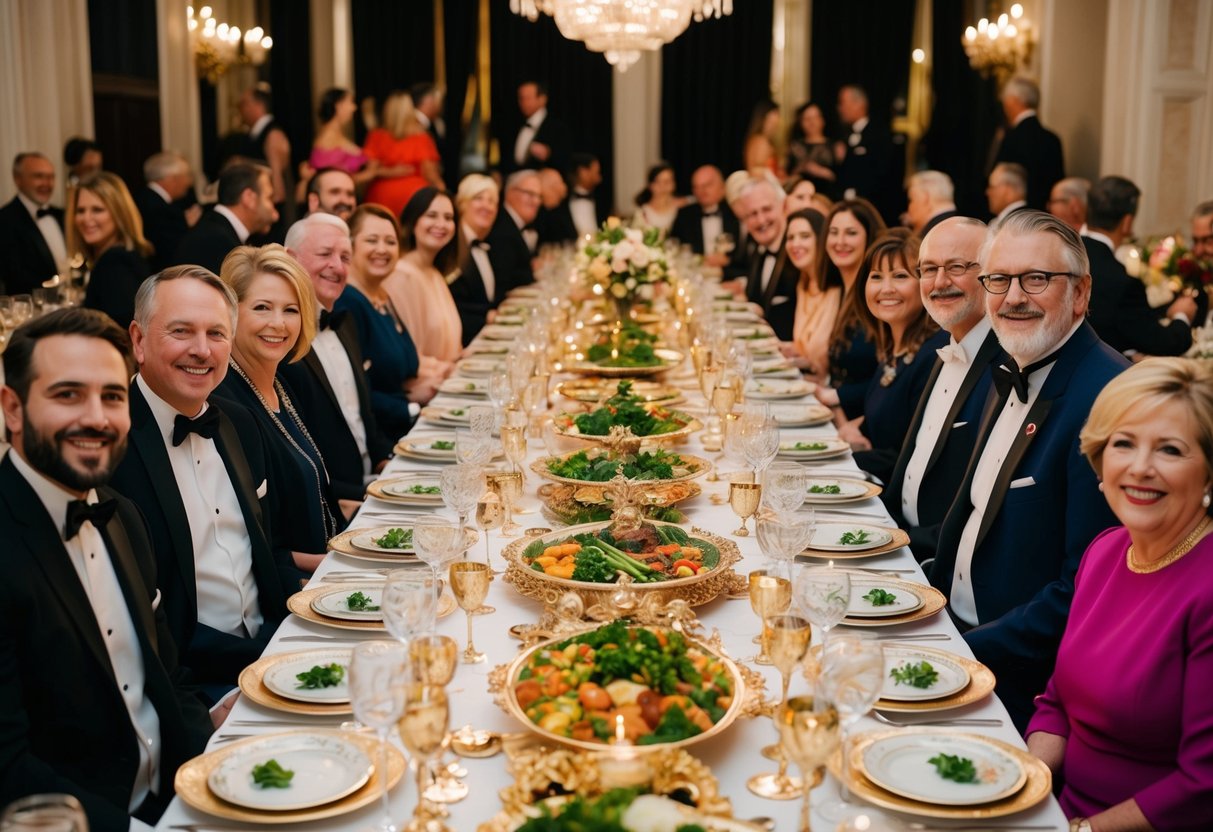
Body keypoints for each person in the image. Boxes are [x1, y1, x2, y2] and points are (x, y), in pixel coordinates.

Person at [0, 308, 214, 831]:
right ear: (13, 408)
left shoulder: (121, 514)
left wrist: (222, 770)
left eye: (112, 397)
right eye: (67, 395)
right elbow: (8, 768)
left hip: (175, 798)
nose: (96, 417)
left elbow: (168, 676)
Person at [929, 210, 1129, 731]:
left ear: (1081, 293)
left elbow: (1084, 589)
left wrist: (959, 650)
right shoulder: (1013, 362)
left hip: (1020, 685)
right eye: (998, 279)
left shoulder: (1106, 400)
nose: (1013, 296)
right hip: (952, 627)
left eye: (1036, 279)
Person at [1027, 358, 1213, 831]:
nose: (1140, 468)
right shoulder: (1107, 551)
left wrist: (1081, 831)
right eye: (1124, 444)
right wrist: (1017, 783)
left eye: (1170, 450)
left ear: (1209, 474)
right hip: (1059, 810)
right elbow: (1057, 703)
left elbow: (1202, 785)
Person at [114, 265, 297, 691]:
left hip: (272, 645)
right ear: (138, 340)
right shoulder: (114, 444)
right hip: (191, 678)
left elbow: (265, 552)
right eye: (181, 331)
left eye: (216, 334)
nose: (202, 350)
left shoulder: (239, 423)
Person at [216, 245, 343, 568]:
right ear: (231, 312)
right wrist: (336, 563)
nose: (278, 323)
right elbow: (254, 544)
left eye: (291, 310)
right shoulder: (226, 404)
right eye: (262, 307)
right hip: (292, 592)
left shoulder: (281, 385)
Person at [885, 217, 1000, 558]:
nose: (939, 282)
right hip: (897, 538)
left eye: (956, 267)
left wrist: (901, 543)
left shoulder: (1006, 368)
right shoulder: (945, 347)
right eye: (929, 268)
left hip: (933, 560)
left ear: (990, 274)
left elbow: (980, 510)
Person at [281, 214, 393, 502]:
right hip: (337, 500)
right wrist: (367, 495)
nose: (337, 266)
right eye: (325, 254)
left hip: (374, 483)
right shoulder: (282, 344)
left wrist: (386, 462)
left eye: (345, 257)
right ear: (291, 259)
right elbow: (299, 457)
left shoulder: (345, 322)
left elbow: (363, 414)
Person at [838, 230, 946, 482]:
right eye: (876, 277)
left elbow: (910, 457)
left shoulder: (933, 356)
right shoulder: (892, 350)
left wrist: (843, 461)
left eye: (899, 276)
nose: (886, 289)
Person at [336, 204, 434, 439]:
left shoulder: (382, 296)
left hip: (408, 428)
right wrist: (408, 405)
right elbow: (355, 390)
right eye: (372, 240)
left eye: (390, 241)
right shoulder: (348, 303)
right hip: (384, 436)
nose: (382, 249)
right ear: (350, 245)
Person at [1084, 176, 1195, 357]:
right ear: (1127, 222)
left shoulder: (1068, 254)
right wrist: (1182, 316)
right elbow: (1165, 344)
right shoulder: (1122, 283)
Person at [814, 198, 888, 416]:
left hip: (862, 420)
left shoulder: (879, 296)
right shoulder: (841, 292)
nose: (840, 241)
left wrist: (836, 396)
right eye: (834, 232)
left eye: (851, 233)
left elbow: (889, 375)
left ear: (870, 238)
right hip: (836, 413)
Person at [67, 172, 152, 329]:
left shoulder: (114, 262)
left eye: (97, 210)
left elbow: (122, 330)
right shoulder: (122, 254)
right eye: (80, 211)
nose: (86, 218)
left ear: (119, 213)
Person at [387, 187, 462, 364]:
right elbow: (410, 355)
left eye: (448, 218)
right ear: (414, 222)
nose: (441, 224)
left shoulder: (434, 273)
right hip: (428, 387)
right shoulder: (402, 276)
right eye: (431, 215)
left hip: (448, 381)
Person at [172, 162, 278, 274]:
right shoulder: (221, 244)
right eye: (269, 198)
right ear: (249, 198)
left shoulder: (214, 229)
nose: (275, 215)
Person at [362, 90, 443, 217]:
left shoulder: (376, 135)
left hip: (381, 196)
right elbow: (430, 172)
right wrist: (442, 189)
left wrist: (389, 172)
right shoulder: (421, 137)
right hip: (413, 196)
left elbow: (372, 170)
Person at [739, 176, 799, 341]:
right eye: (752, 214)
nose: (761, 220)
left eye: (766, 209)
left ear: (783, 207)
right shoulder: (757, 250)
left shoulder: (797, 254)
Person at [781, 208, 839, 376]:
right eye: (790, 238)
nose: (795, 244)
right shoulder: (802, 284)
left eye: (805, 236)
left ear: (821, 240)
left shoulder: (837, 289)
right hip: (803, 383)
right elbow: (805, 348)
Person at [993, 76, 1065, 211]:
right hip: (1045, 217)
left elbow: (1000, 180)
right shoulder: (1052, 139)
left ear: (1013, 101)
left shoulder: (1011, 138)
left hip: (1016, 218)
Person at [0, 151, 68, 293]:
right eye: (39, 176)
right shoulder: (5, 219)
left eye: (51, 177)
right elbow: (14, 275)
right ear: (17, 179)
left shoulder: (62, 215)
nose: (47, 183)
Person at [449, 174, 506, 344]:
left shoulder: (485, 246)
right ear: (462, 204)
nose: (486, 206)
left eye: (492, 201)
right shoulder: (451, 247)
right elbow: (453, 304)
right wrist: (484, 318)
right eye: (478, 198)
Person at [236, 83, 293, 233]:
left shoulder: (272, 134)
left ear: (258, 105)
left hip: (270, 217)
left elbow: (278, 188)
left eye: (244, 103)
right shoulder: (256, 134)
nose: (240, 109)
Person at [836, 85, 895, 222]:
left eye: (843, 103)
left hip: (873, 207)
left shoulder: (879, 133)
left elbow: (882, 171)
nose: (840, 108)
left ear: (858, 104)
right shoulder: (844, 134)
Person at [136, 151, 202, 273]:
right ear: (172, 179)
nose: (189, 182)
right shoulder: (158, 208)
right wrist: (186, 225)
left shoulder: (146, 198)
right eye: (186, 176)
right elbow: (171, 251)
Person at [671, 165, 742, 269]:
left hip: (730, 277)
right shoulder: (685, 215)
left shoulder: (735, 212)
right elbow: (675, 249)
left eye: (707, 185)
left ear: (722, 186)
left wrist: (727, 261)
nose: (701, 191)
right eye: (696, 187)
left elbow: (746, 259)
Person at [308, 87, 374, 185]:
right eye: (351, 102)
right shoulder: (328, 136)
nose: (354, 107)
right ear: (338, 106)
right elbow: (329, 180)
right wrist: (370, 174)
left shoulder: (335, 134)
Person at [506, 80, 570, 175]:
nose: (523, 102)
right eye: (520, 98)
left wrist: (549, 154)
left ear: (542, 99)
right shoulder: (512, 125)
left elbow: (565, 160)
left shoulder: (557, 128)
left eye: (527, 98)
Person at [786, 101, 836, 198]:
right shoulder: (794, 146)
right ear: (800, 122)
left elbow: (842, 177)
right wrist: (803, 168)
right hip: (800, 196)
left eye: (815, 118)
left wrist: (820, 171)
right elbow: (787, 177)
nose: (812, 122)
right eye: (807, 119)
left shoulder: (836, 146)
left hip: (828, 196)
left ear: (822, 120)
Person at [497, 168, 544, 261]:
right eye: (530, 194)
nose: (537, 201)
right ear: (510, 192)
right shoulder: (500, 227)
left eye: (539, 196)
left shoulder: (513, 225)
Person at [904, 170, 959, 238]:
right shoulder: (965, 225)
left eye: (911, 200)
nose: (909, 208)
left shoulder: (931, 236)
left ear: (925, 198)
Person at [633, 162, 681, 235]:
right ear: (650, 185)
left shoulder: (682, 206)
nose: (663, 186)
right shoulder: (642, 212)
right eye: (658, 182)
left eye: (667, 181)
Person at [535, 166, 577, 247]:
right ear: (550, 187)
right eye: (561, 182)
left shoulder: (562, 209)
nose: (565, 186)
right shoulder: (538, 215)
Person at [567, 152, 604, 237]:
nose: (599, 179)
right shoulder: (562, 203)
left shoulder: (602, 201)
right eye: (596, 173)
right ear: (582, 172)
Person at [743, 100, 783, 178]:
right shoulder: (760, 140)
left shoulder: (762, 139)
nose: (778, 118)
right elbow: (756, 170)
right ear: (767, 115)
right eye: (775, 113)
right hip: (763, 185)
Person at [986, 162, 1029, 227]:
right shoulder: (1032, 218)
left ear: (1007, 190)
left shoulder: (1017, 223)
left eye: (992, 187)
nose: (987, 192)